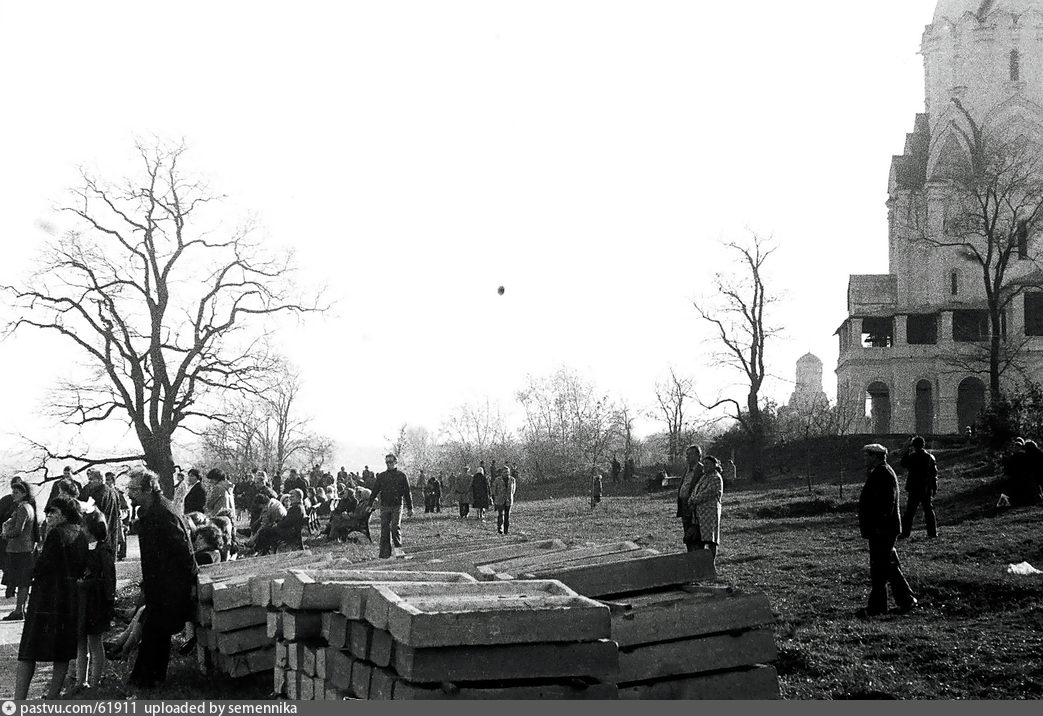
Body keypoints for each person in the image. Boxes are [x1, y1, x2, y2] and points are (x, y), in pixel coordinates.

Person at [124, 466, 197, 688]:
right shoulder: (149, 510)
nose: (129, 493)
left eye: (133, 489)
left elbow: (183, 550)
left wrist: (191, 580)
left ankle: (146, 681)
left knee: (157, 630)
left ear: (148, 489)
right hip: (159, 582)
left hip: (171, 584)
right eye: (128, 488)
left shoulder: (163, 513)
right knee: (155, 630)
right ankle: (149, 679)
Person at [14, 495, 89, 700]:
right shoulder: (81, 534)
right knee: (62, 650)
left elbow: (42, 566)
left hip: (46, 597)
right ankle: (52, 696)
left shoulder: (56, 533)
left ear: (64, 513)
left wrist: (31, 568)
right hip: (69, 598)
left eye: (53, 512)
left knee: (29, 649)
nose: (48, 516)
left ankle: (18, 700)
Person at [857, 444, 917, 619]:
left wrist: (878, 526)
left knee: (879, 568)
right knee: (888, 565)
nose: (865, 459)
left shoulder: (883, 472)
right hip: (883, 528)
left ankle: (879, 607)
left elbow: (887, 502)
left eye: (867, 456)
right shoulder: (881, 471)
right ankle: (905, 599)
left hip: (883, 529)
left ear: (875, 456)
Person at [75, 509, 116, 691]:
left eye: (83, 526)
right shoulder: (83, 548)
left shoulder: (103, 550)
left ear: (90, 529)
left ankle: (95, 681)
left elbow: (108, 579)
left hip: (96, 603)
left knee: (95, 642)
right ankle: (80, 680)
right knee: (80, 642)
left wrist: (87, 584)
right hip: (82, 602)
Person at [2, 479, 38, 620]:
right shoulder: (25, 507)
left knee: (22, 582)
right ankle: (19, 609)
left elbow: (18, 530)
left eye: (16, 492)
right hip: (22, 549)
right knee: (21, 581)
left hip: (20, 550)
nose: (13, 495)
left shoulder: (24, 508)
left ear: (24, 494)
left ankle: (19, 610)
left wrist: (5, 534)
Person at [370, 454, 413, 558]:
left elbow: (407, 492)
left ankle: (398, 551)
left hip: (397, 505)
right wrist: (369, 503)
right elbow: (375, 490)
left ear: (395, 462)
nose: (389, 464)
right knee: (384, 530)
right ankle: (385, 555)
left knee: (395, 527)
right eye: (387, 462)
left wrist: (410, 508)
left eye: (391, 462)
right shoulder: (381, 476)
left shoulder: (402, 476)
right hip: (385, 506)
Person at [899, 436, 938, 539]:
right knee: (929, 511)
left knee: (909, 512)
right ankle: (932, 533)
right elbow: (934, 474)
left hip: (914, 488)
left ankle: (905, 533)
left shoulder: (912, 457)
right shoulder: (930, 457)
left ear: (914, 446)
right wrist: (934, 487)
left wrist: (906, 448)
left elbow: (903, 463)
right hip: (926, 487)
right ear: (923, 445)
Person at [690, 456, 724, 563]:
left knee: (711, 539)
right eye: (704, 463)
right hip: (700, 513)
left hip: (710, 512)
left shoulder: (716, 478)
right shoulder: (704, 477)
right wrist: (691, 499)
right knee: (700, 539)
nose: (705, 466)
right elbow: (695, 490)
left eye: (707, 464)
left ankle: (711, 563)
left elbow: (708, 493)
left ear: (714, 465)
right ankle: (702, 563)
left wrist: (694, 500)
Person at [82, 468, 123, 555]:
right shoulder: (114, 492)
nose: (89, 482)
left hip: (101, 532)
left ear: (100, 480)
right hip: (112, 530)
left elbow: (93, 514)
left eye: (91, 479)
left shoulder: (98, 493)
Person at [252, 489, 306, 555]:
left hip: (290, 532)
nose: (290, 498)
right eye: (290, 496)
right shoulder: (298, 507)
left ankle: (261, 551)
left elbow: (288, 522)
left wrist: (277, 524)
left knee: (264, 531)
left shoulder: (297, 508)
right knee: (267, 529)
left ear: (299, 497)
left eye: (292, 496)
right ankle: (262, 550)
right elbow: (288, 520)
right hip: (291, 530)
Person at [676, 445, 704, 551]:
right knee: (687, 533)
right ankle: (690, 555)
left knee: (696, 534)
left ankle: (697, 558)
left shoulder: (702, 470)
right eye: (686, 454)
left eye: (690, 454)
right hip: (684, 504)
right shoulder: (687, 469)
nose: (687, 457)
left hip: (695, 506)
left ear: (698, 455)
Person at [491, 466, 517, 535]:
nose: (506, 473)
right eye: (505, 472)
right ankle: (500, 528)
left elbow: (513, 490)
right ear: (502, 472)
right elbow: (494, 489)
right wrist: (496, 497)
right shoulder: (497, 480)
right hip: (500, 500)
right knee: (500, 514)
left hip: (508, 500)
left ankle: (506, 530)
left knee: (507, 515)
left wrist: (510, 496)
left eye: (507, 471)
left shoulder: (512, 480)